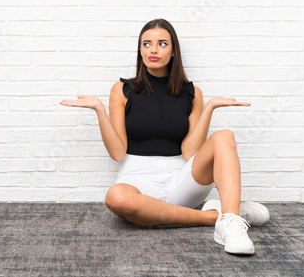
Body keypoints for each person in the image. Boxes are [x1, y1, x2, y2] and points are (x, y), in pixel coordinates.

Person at [59, 18, 269, 255]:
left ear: (173, 51)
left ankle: (230, 223)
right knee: (116, 197)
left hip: (182, 180)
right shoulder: (122, 90)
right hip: (138, 179)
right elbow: (118, 153)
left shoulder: (192, 93)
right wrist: (99, 108)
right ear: (140, 50)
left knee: (224, 136)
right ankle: (217, 217)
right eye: (146, 44)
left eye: (162, 43)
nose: (153, 50)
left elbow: (190, 152)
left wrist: (209, 108)